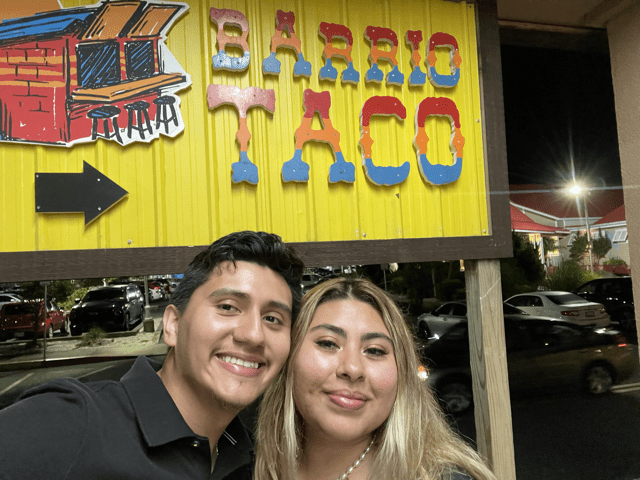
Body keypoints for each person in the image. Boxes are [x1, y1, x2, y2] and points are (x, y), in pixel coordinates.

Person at [0, 230, 304, 480]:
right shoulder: (73, 420)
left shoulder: (249, 457)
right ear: (172, 325)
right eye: (227, 307)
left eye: (273, 319)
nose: (253, 334)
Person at [255, 277, 496, 480]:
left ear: (402, 372)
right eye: (328, 343)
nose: (352, 368)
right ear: (287, 359)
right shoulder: (253, 470)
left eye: (375, 350)